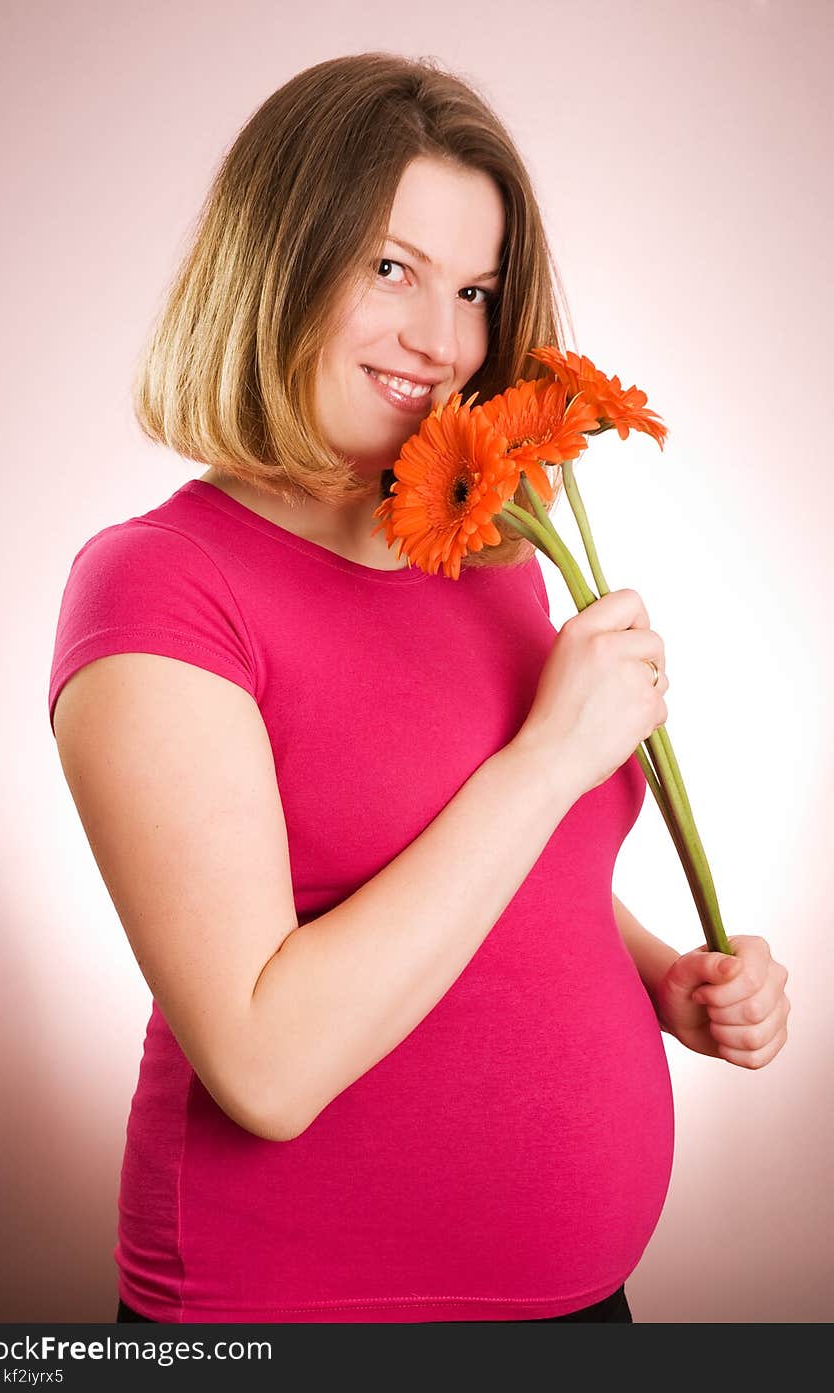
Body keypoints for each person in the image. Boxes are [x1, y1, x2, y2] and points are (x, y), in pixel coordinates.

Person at [48, 53, 791, 1326]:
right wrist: (550, 755)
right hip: (294, 1315)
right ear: (278, 263)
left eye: (475, 289)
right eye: (388, 268)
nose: (441, 342)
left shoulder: (491, 551)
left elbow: (495, 877)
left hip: (577, 1304)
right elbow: (266, 1065)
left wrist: (660, 975)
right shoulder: (161, 590)